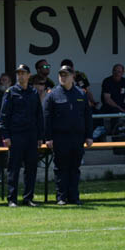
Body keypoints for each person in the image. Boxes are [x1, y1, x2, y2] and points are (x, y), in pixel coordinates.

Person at [44, 65, 93, 206]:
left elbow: (87, 116)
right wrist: (48, 137)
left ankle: (74, 197)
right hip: (60, 137)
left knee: (75, 168)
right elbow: (47, 118)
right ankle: (61, 197)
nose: (62, 77)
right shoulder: (52, 94)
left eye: (66, 75)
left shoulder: (81, 94)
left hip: (77, 137)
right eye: (61, 75)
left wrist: (89, 136)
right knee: (60, 168)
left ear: (73, 76)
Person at [0, 64, 44, 207]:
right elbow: (4, 116)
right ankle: (12, 199)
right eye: (19, 73)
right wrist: (5, 136)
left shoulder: (34, 92)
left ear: (29, 75)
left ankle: (28, 198)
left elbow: (39, 116)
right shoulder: (10, 92)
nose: (21, 76)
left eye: (23, 73)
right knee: (14, 168)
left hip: (31, 135)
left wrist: (39, 136)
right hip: (16, 135)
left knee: (31, 168)